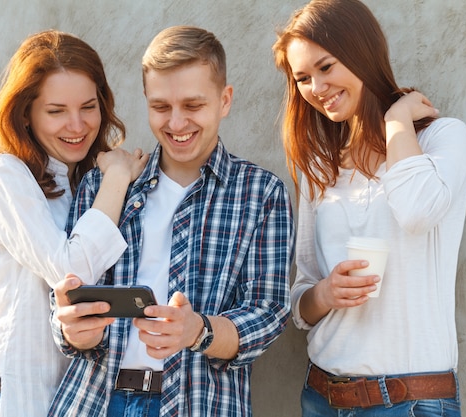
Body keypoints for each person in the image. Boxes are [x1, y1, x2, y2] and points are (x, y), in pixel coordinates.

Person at [47, 25, 295, 417]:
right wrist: (72, 329)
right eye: (161, 107)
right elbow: (69, 292)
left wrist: (197, 330)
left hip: (198, 405)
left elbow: (267, 312)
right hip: (94, 400)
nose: (176, 123)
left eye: (193, 106)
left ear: (225, 100)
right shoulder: (103, 184)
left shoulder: (261, 193)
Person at [272, 0, 466, 415]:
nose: (316, 88)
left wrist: (397, 119)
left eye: (326, 67)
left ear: (361, 52)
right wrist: (326, 293)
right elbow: (301, 302)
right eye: (304, 78)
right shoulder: (318, 167)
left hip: (410, 401)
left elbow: (417, 211)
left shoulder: (444, 139)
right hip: (322, 396)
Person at [0, 30, 148, 417]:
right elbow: (71, 272)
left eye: (88, 106)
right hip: (17, 397)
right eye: (56, 111)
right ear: (25, 113)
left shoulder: (85, 183)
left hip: (77, 402)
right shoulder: (6, 176)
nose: (77, 125)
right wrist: (117, 177)